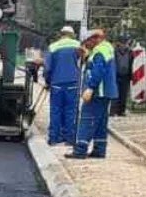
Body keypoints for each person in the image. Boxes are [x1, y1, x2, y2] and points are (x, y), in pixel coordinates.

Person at [72, 27, 117, 159]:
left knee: (87, 118)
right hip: (107, 91)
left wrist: (90, 88)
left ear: (95, 39)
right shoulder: (107, 48)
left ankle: (80, 150)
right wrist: (86, 56)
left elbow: (97, 71)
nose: (86, 45)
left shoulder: (99, 52)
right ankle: (99, 149)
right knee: (101, 122)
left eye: (87, 42)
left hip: (98, 91)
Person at [43, 25, 82, 146]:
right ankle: (69, 138)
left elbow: (48, 68)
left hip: (57, 84)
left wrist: (48, 82)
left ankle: (54, 138)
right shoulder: (78, 45)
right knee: (71, 111)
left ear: (61, 34)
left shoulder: (53, 47)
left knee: (56, 111)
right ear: (72, 34)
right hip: (73, 83)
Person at [112, 36, 132, 117]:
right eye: (124, 43)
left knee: (120, 94)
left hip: (122, 75)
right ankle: (117, 111)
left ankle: (118, 111)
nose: (124, 45)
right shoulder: (116, 51)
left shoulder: (129, 52)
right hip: (120, 74)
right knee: (119, 93)